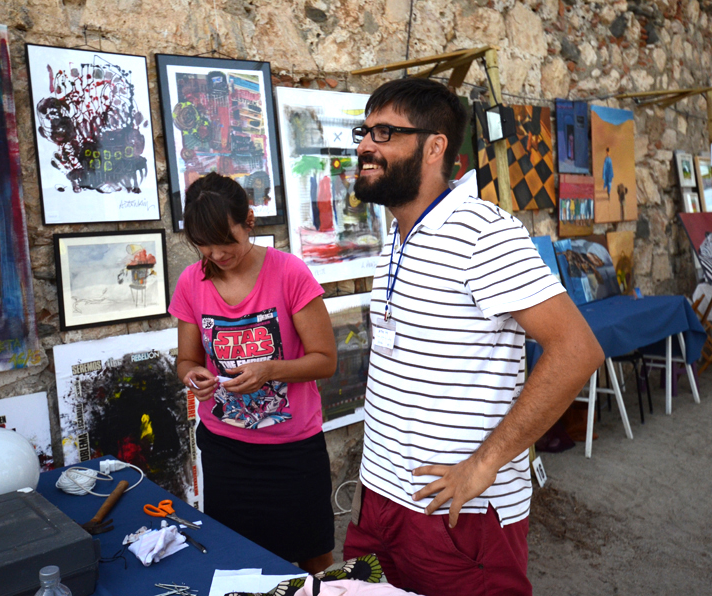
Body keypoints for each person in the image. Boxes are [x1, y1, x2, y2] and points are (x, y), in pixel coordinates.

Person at [341, 78, 604, 595]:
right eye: (364, 132)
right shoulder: (397, 233)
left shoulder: (483, 232)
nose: (366, 146)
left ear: (434, 147)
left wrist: (484, 466)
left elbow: (577, 350)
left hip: (458, 515)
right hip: (381, 501)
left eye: (384, 133)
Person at [168, 172, 338, 573]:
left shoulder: (289, 272)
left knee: (313, 556)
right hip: (227, 451)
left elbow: (325, 360)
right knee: (239, 562)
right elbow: (186, 361)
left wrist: (271, 370)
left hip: (293, 450)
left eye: (226, 240)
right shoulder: (192, 282)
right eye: (203, 244)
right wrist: (194, 377)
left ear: (249, 221)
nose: (216, 253)